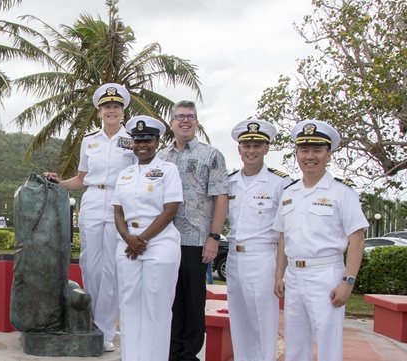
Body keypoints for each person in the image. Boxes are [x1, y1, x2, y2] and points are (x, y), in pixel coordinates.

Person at [43, 82, 136, 352]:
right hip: (93, 201)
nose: (111, 110)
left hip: (120, 204)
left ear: (122, 111)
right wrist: (58, 183)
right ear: (99, 111)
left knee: (112, 268)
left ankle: (105, 330)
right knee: (89, 265)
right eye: (107, 107)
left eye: (116, 107)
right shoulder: (90, 141)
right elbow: (82, 180)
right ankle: (91, 321)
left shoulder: (132, 141)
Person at [273, 120, 368, 360]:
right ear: (297, 154)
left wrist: (348, 282)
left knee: (327, 343)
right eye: (304, 150)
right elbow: (284, 236)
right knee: (295, 344)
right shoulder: (290, 192)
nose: (310, 156)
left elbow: (357, 239)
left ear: (328, 154)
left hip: (326, 274)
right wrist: (279, 275)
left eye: (317, 150)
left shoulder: (341, 192)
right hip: (294, 276)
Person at [157, 100, 228, 361]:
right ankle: (171, 352)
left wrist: (213, 237)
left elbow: (221, 196)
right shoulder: (161, 157)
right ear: (172, 123)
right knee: (171, 299)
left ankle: (189, 355)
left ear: (197, 122)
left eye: (190, 116)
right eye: (180, 116)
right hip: (165, 239)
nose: (185, 120)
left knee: (194, 301)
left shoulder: (211, 155)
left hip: (197, 239)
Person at [112, 116, 183, 361]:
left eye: (148, 140)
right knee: (129, 305)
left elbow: (170, 210)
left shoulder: (168, 170)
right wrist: (128, 238)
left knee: (156, 307)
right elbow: (118, 211)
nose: (142, 145)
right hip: (127, 243)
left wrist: (140, 239)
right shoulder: (125, 174)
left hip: (160, 243)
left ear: (157, 141)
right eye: (137, 140)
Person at [226, 119, 291, 361]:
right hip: (234, 257)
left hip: (263, 257)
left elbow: (286, 230)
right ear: (239, 149)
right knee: (239, 321)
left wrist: (279, 273)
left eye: (257, 145)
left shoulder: (280, 183)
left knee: (263, 323)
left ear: (266, 148)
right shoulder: (230, 181)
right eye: (246, 145)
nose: (251, 150)